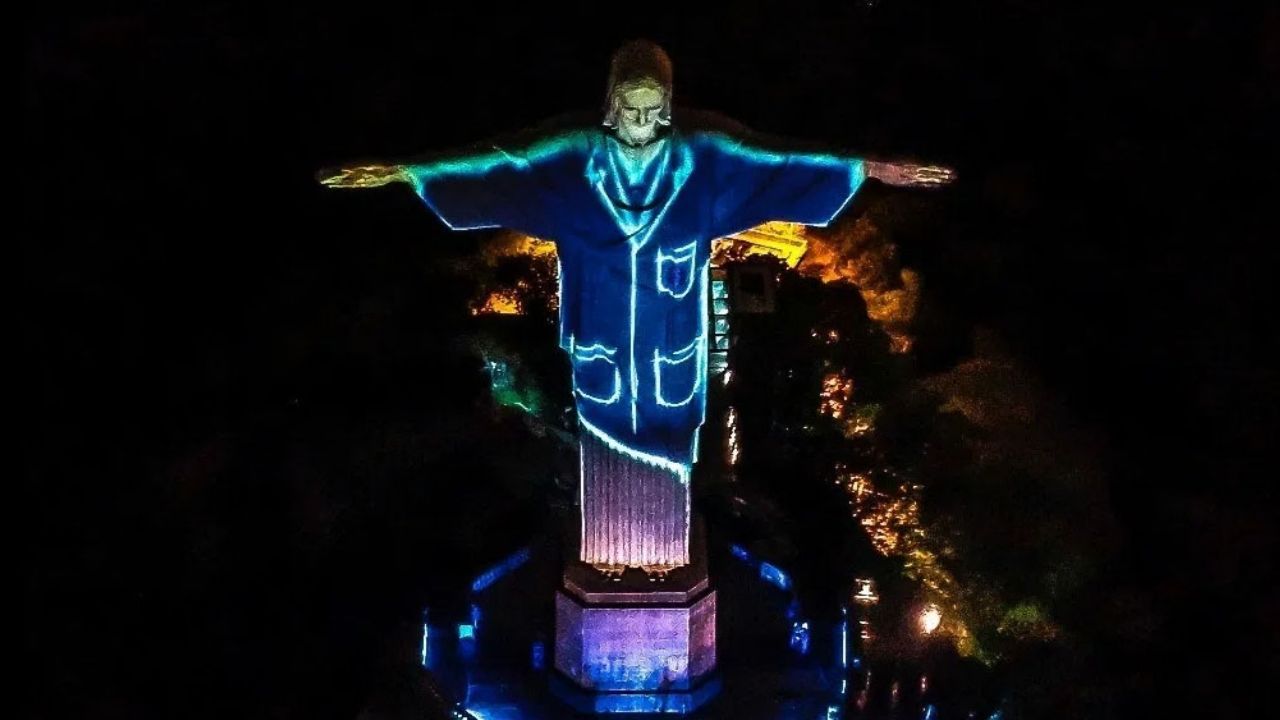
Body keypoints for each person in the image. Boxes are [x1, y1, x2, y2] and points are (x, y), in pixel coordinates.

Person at [318, 40, 954, 570]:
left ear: (669, 108)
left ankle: (665, 555)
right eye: (631, 108)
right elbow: (500, 162)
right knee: (603, 443)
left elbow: (778, 158)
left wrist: (868, 166)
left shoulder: (701, 159)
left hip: (671, 342)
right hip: (601, 341)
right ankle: (606, 553)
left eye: (654, 110)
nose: (643, 123)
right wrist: (407, 171)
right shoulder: (573, 160)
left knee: (672, 440)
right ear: (610, 105)